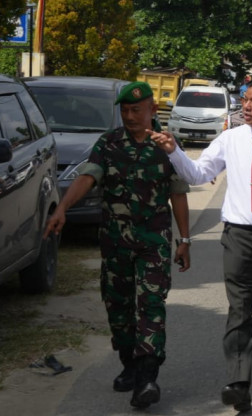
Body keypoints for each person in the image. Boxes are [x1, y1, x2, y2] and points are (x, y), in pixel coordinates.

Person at [149, 77, 252, 413]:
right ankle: (238, 382)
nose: (246, 106)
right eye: (244, 100)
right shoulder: (230, 139)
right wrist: (174, 152)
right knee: (240, 309)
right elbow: (199, 174)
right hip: (240, 236)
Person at [44, 82, 191, 410]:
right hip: (115, 243)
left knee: (151, 306)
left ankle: (147, 377)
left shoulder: (167, 146)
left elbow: (178, 193)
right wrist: (63, 208)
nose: (130, 116)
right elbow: (87, 177)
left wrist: (185, 240)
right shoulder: (108, 144)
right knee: (118, 307)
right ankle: (129, 362)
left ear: (152, 110)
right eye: (125, 111)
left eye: (136, 110)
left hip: (154, 243)